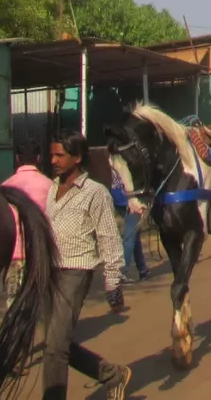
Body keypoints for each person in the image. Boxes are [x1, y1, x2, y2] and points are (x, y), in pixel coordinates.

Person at [43, 131, 132, 400]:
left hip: (76, 272)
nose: (54, 160)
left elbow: (109, 238)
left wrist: (113, 283)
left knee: (55, 349)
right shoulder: (51, 187)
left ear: (77, 157)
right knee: (57, 344)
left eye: (60, 155)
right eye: (52, 155)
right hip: (50, 273)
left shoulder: (96, 193)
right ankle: (113, 375)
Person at [1, 139, 53, 302]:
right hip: (39, 251)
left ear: (17, 158)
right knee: (36, 297)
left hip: (13, 252)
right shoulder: (50, 185)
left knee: (13, 296)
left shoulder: (5, 187)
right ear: (38, 158)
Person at [110, 164, 149, 283]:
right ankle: (142, 269)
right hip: (119, 202)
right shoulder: (115, 155)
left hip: (134, 203)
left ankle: (122, 272)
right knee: (133, 236)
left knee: (128, 238)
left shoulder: (133, 156)